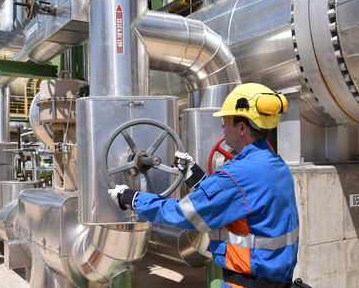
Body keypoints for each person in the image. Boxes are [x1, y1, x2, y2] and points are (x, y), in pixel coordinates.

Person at [108, 83, 300, 288]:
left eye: (226, 121)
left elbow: (183, 214)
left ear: (242, 127)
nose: (222, 127)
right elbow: (238, 204)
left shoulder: (238, 174)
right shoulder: (276, 165)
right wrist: (197, 178)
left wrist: (133, 199)